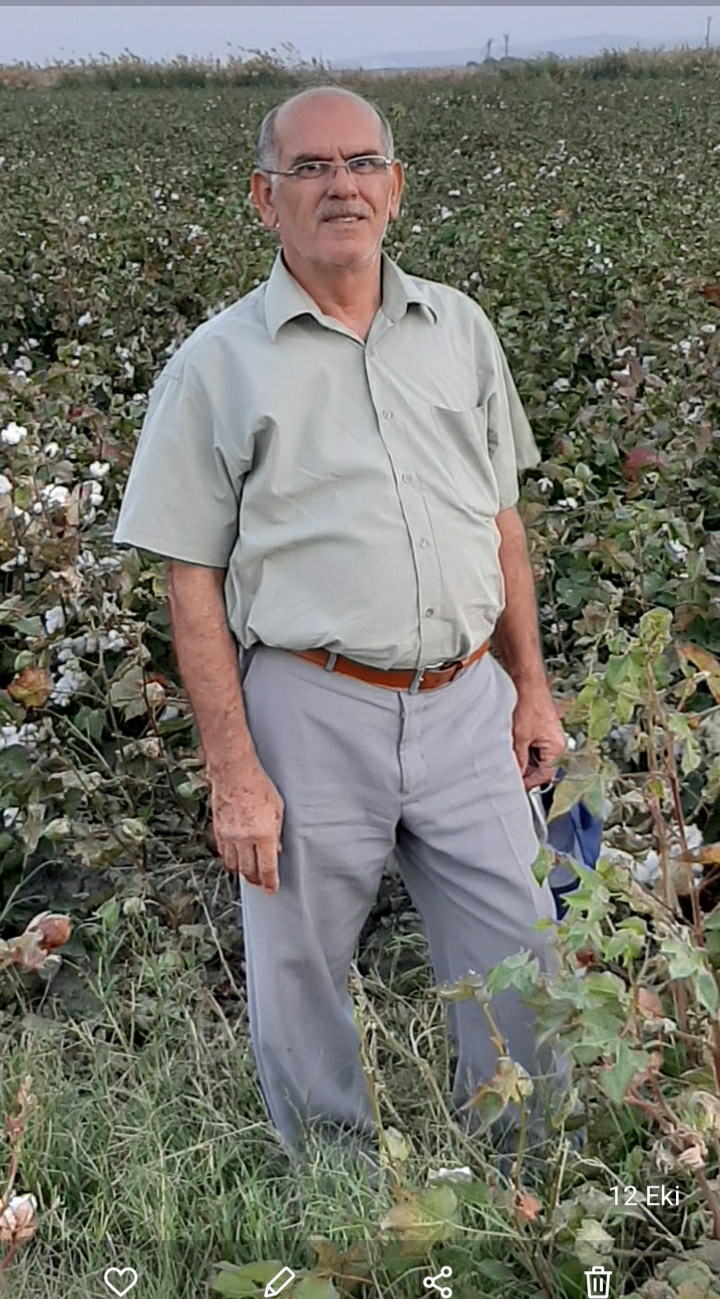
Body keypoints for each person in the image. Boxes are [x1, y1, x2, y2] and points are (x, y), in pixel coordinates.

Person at [114, 85, 568, 1150]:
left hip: (468, 702)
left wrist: (532, 689)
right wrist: (234, 773)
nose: (341, 187)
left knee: (524, 948)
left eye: (362, 163)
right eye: (310, 168)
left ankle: (535, 1178)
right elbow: (190, 582)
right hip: (310, 707)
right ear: (263, 198)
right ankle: (336, 1190)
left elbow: (500, 523)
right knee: (301, 973)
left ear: (395, 187)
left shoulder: (459, 330)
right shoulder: (217, 364)